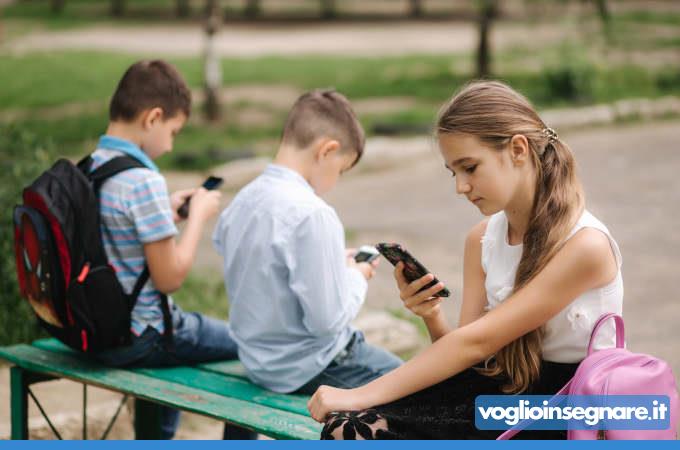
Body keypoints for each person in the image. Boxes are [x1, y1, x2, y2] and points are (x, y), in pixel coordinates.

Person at [307, 80, 624, 439]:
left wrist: (356, 394)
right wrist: (431, 314)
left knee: (357, 423)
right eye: (453, 172)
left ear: (518, 149)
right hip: (499, 393)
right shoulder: (482, 239)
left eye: (470, 168)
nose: (460, 186)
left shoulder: (586, 246)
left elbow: (476, 343)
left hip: (564, 409)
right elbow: (469, 355)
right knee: (350, 427)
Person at [88, 60, 254, 439]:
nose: (172, 143)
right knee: (251, 347)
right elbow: (169, 278)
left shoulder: (94, 166)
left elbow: (119, 234)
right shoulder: (144, 181)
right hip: (143, 336)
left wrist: (167, 213)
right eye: (174, 131)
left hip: (99, 331)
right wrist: (196, 217)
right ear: (153, 118)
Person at [212, 89, 402, 397]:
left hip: (257, 363)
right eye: (341, 169)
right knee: (421, 388)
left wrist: (327, 263)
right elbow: (326, 323)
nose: (336, 180)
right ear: (327, 151)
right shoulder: (313, 214)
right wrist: (356, 276)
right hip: (311, 367)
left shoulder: (243, 199)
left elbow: (258, 263)